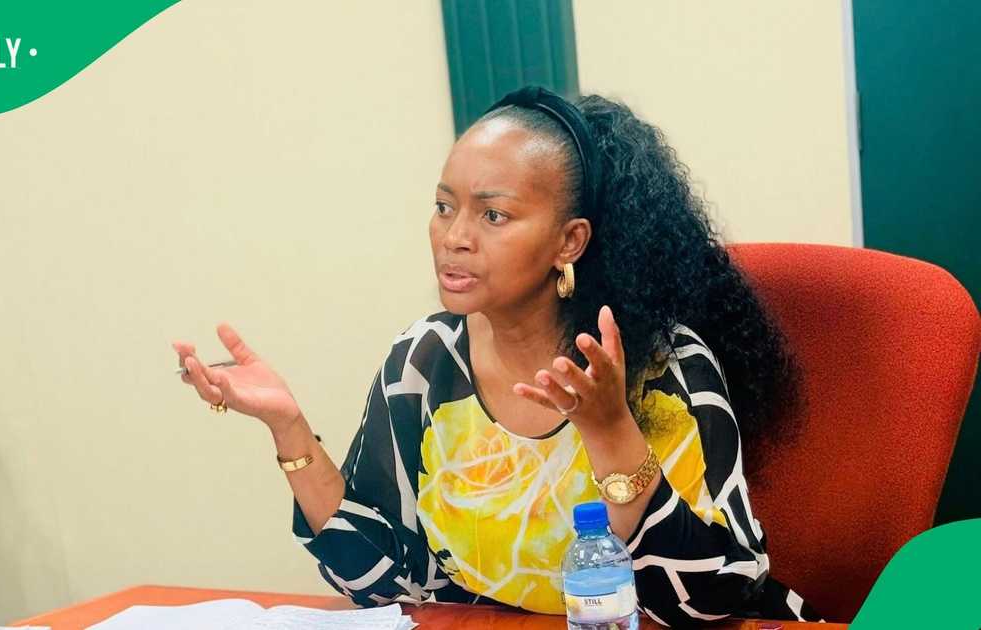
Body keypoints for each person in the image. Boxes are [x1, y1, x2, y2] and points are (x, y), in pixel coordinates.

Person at [172, 86, 821, 626]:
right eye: (443, 207)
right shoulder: (423, 366)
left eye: (493, 216)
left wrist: (610, 430)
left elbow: (713, 604)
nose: (453, 238)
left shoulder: (662, 369)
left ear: (570, 241)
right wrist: (288, 427)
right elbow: (374, 581)